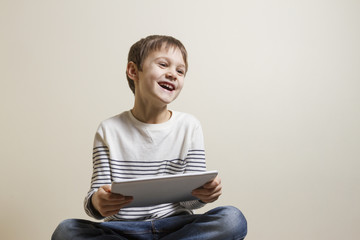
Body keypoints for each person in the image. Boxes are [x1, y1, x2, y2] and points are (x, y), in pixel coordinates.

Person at [52, 35, 247, 240]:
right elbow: (96, 200)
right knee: (66, 231)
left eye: (180, 71)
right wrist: (98, 204)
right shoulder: (108, 130)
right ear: (133, 71)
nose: (173, 74)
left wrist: (203, 195)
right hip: (124, 230)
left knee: (232, 219)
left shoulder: (190, 126)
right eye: (163, 64)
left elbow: (190, 203)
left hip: (176, 226)